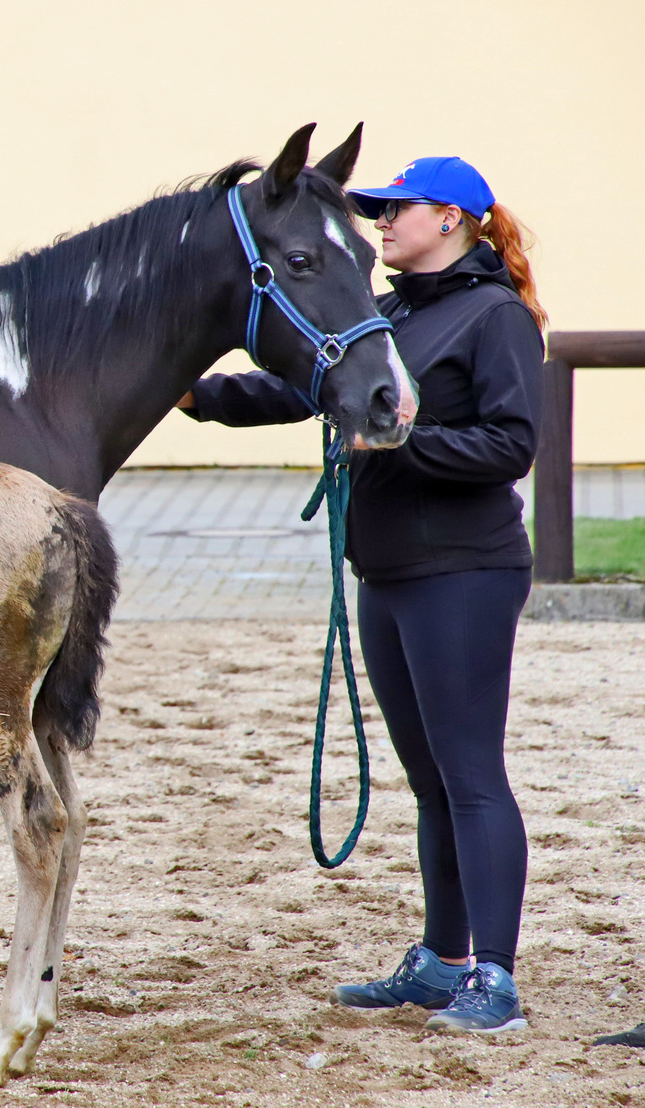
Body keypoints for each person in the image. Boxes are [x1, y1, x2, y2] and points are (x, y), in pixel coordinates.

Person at [177, 156, 546, 1034]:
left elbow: (510, 445)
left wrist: (400, 439)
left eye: (396, 209)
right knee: (429, 782)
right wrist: (191, 392)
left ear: (453, 219)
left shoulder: (493, 317)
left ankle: (494, 980)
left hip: (463, 570)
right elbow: (295, 386)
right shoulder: (390, 314)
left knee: (471, 778)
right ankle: (441, 959)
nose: (381, 222)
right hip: (388, 573)